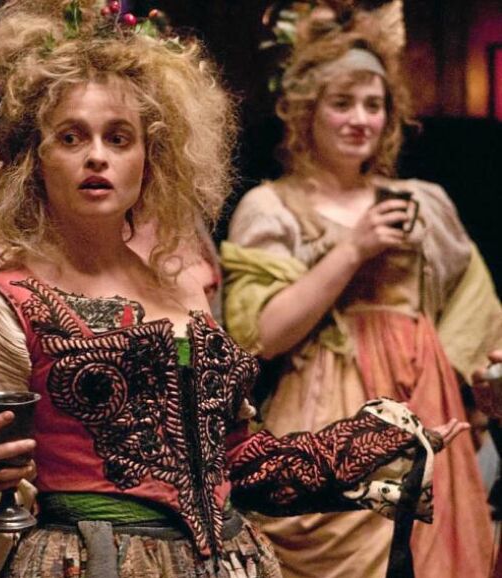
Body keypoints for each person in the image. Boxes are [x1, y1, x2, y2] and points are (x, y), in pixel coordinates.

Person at [0, 2, 468, 577]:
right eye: (71, 137)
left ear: (151, 158)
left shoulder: (182, 290)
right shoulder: (4, 304)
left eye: (119, 138)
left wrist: (363, 447)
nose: (97, 155)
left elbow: (235, 464)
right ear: (34, 158)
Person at [222, 5, 502, 578]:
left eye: (373, 105)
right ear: (308, 112)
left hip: (425, 397)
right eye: (342, 103)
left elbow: (475, 301)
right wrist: (351, 250)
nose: (360, 119)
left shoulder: (422, 201)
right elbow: (261, 334)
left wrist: (460, 377)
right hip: (328, 407)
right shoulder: (272, 206)